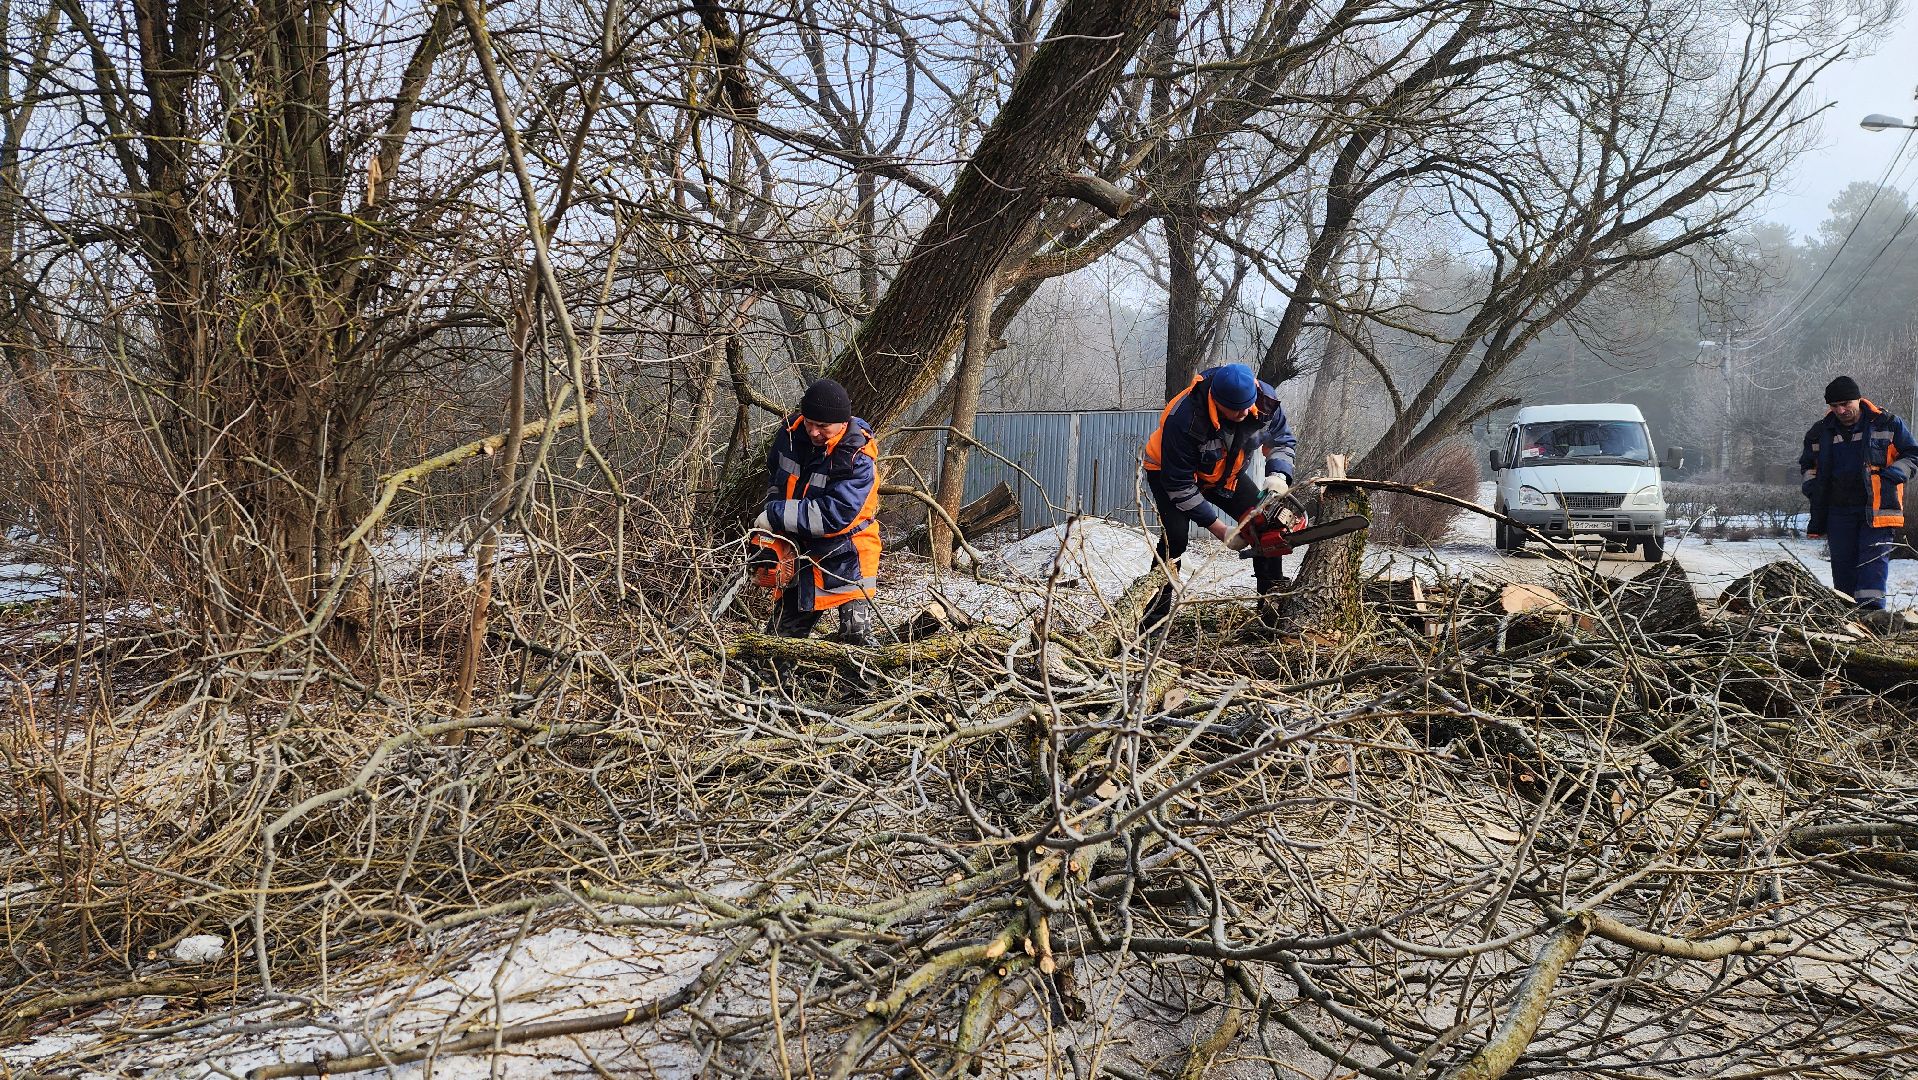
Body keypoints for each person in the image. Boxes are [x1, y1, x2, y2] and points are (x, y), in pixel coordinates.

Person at [1140, 363, 1297, 629]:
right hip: (1170, 473)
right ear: (1216, 400)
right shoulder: (1185, 417)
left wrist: (1278, 477)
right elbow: (1180, 486)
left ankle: (1270, 609)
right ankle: (1152, 621)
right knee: (1175, 541)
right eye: (1236, 409)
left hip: (1224, 474)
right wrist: (1221, 529)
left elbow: (1281, 440)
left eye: (1248, 406)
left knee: (1266, 524)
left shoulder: (1266, 402)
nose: (1244, 413)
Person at [756, 378, 882, 645]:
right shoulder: (790, 435)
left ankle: (863, 687)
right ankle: (771, 686)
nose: (813, 431)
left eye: (823, 426)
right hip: (800, 549)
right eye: (810, 422)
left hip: (848, 553)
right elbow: (777, 482)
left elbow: (834, 514)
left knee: (856, 638)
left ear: (843, 423)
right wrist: (775, 533)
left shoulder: (857, 457)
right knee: (780, 639)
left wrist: (775, 515)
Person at [1799, 375, 1917, 615]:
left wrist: (1894, 474)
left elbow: (1913, 455)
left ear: (1858, 399)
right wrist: (1812, 488)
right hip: (1837, 510)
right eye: (1834, 406)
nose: (1841, 410)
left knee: (1872, 565)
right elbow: (1808, 466)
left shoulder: (1888, 423)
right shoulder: (1819, 432)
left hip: (1877, 507)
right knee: (1843, 565)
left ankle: (1871, 615)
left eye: (1846, 404)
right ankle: (1845, 614)